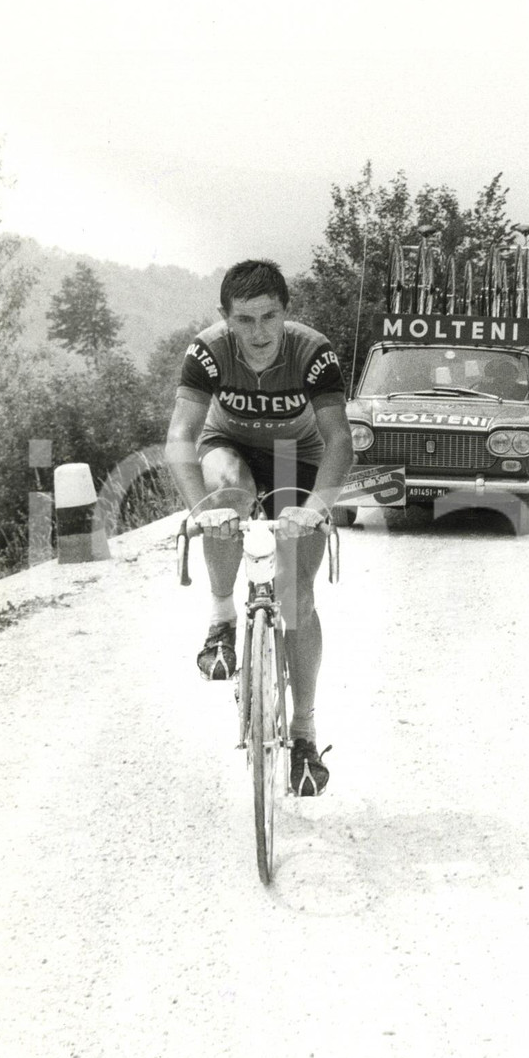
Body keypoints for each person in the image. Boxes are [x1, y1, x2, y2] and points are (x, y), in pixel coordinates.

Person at [166, 259, 354, 796]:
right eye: (244, 321)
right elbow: (181, 438)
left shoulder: (312, 351)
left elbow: (339, 440)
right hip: (232, 448)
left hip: (300, 455)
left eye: (269, 316)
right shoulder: (207, 350)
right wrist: (204, 511)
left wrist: (317, 507)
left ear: (285, 312)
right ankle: (221, 618)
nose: (259, 333)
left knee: (296, 596)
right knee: (228, 495)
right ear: (225, 320)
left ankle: (303, 735)